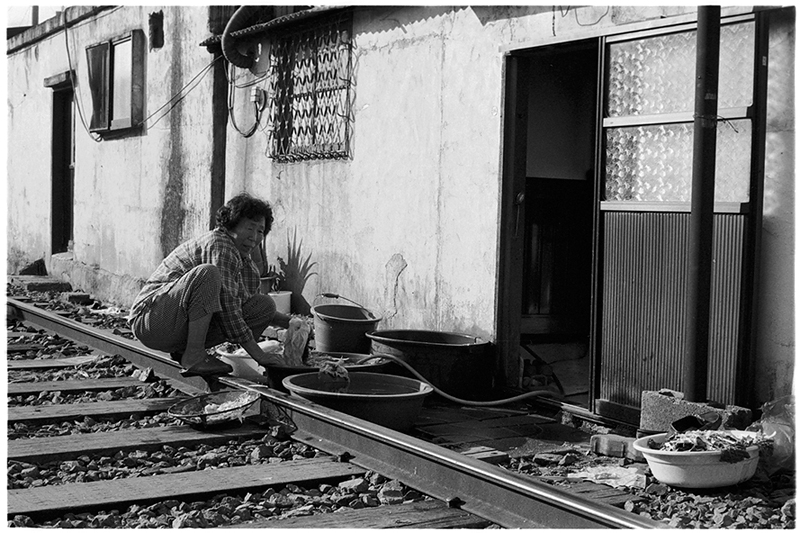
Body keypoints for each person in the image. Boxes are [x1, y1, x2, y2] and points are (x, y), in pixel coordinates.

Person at [128, 193, 292, 377]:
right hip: (152, 320)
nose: (254, 237)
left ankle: (187, 351)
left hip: (175, 328)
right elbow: (229, 309)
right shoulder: (220, 245)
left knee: (264, 305)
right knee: (208, 273)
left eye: (260, 231)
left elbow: (244, 306)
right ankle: (194, 355)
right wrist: (259, 356)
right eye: (249, 228)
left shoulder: (246, 265)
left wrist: (292, 323)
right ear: (230, 225)